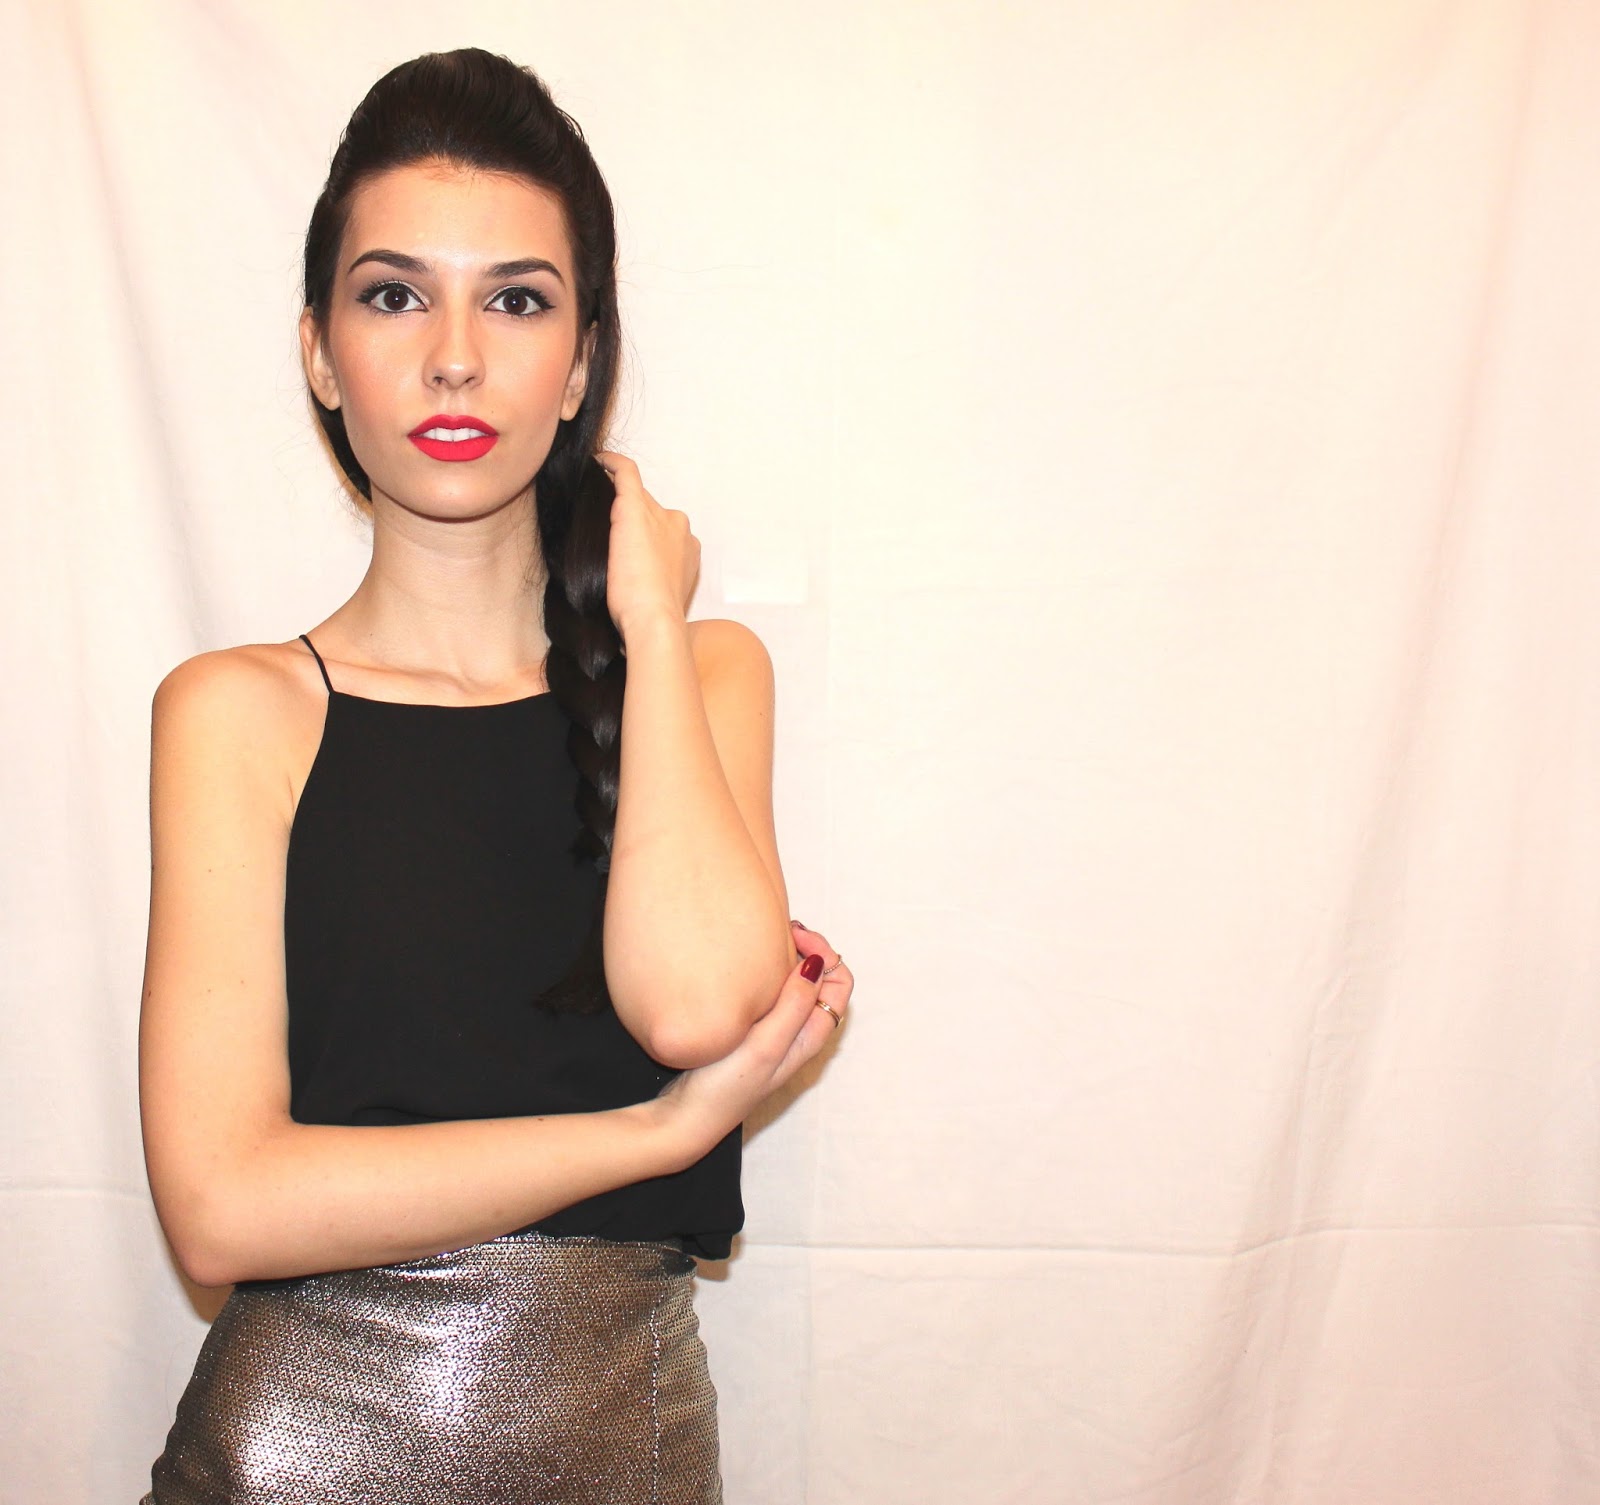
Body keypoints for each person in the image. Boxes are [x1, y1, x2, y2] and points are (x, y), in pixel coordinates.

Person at [135, 46, 851, 1505]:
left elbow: (693, 1002)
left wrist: (648, 616)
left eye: (516, 299)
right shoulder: (236, 714)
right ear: (320, 352)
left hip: (628, 1459)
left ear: (583, 361)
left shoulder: (702, 676)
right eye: (394, 295)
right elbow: (219, 1206)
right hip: (288, 1466)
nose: (454, 357)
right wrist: (656, 1133)